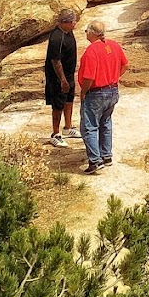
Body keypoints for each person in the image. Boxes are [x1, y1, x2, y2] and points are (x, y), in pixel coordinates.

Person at [77, 19, 128, 175]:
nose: (86, 34)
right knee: (106, 123)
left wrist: (84, 91)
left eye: (86, 31)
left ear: (92, 33)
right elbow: (125, 65)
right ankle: (106, 156)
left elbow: (89, 77)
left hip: (96, 92)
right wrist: (113, 78)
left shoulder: (92, 51)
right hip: (112, 90)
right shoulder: (113, 45)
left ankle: (95, 161)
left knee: (89, 126)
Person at [44, 9, 78, 147]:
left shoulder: (68, 32)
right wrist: (63, 80)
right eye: (72, 22)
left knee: (69, 99)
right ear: (64, 23)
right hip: (58, 78)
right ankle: (55, 134)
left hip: (69, 74)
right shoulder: (57, 38)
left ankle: (68, 128)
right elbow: (55, 61)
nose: (74, 24)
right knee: (57, 105)